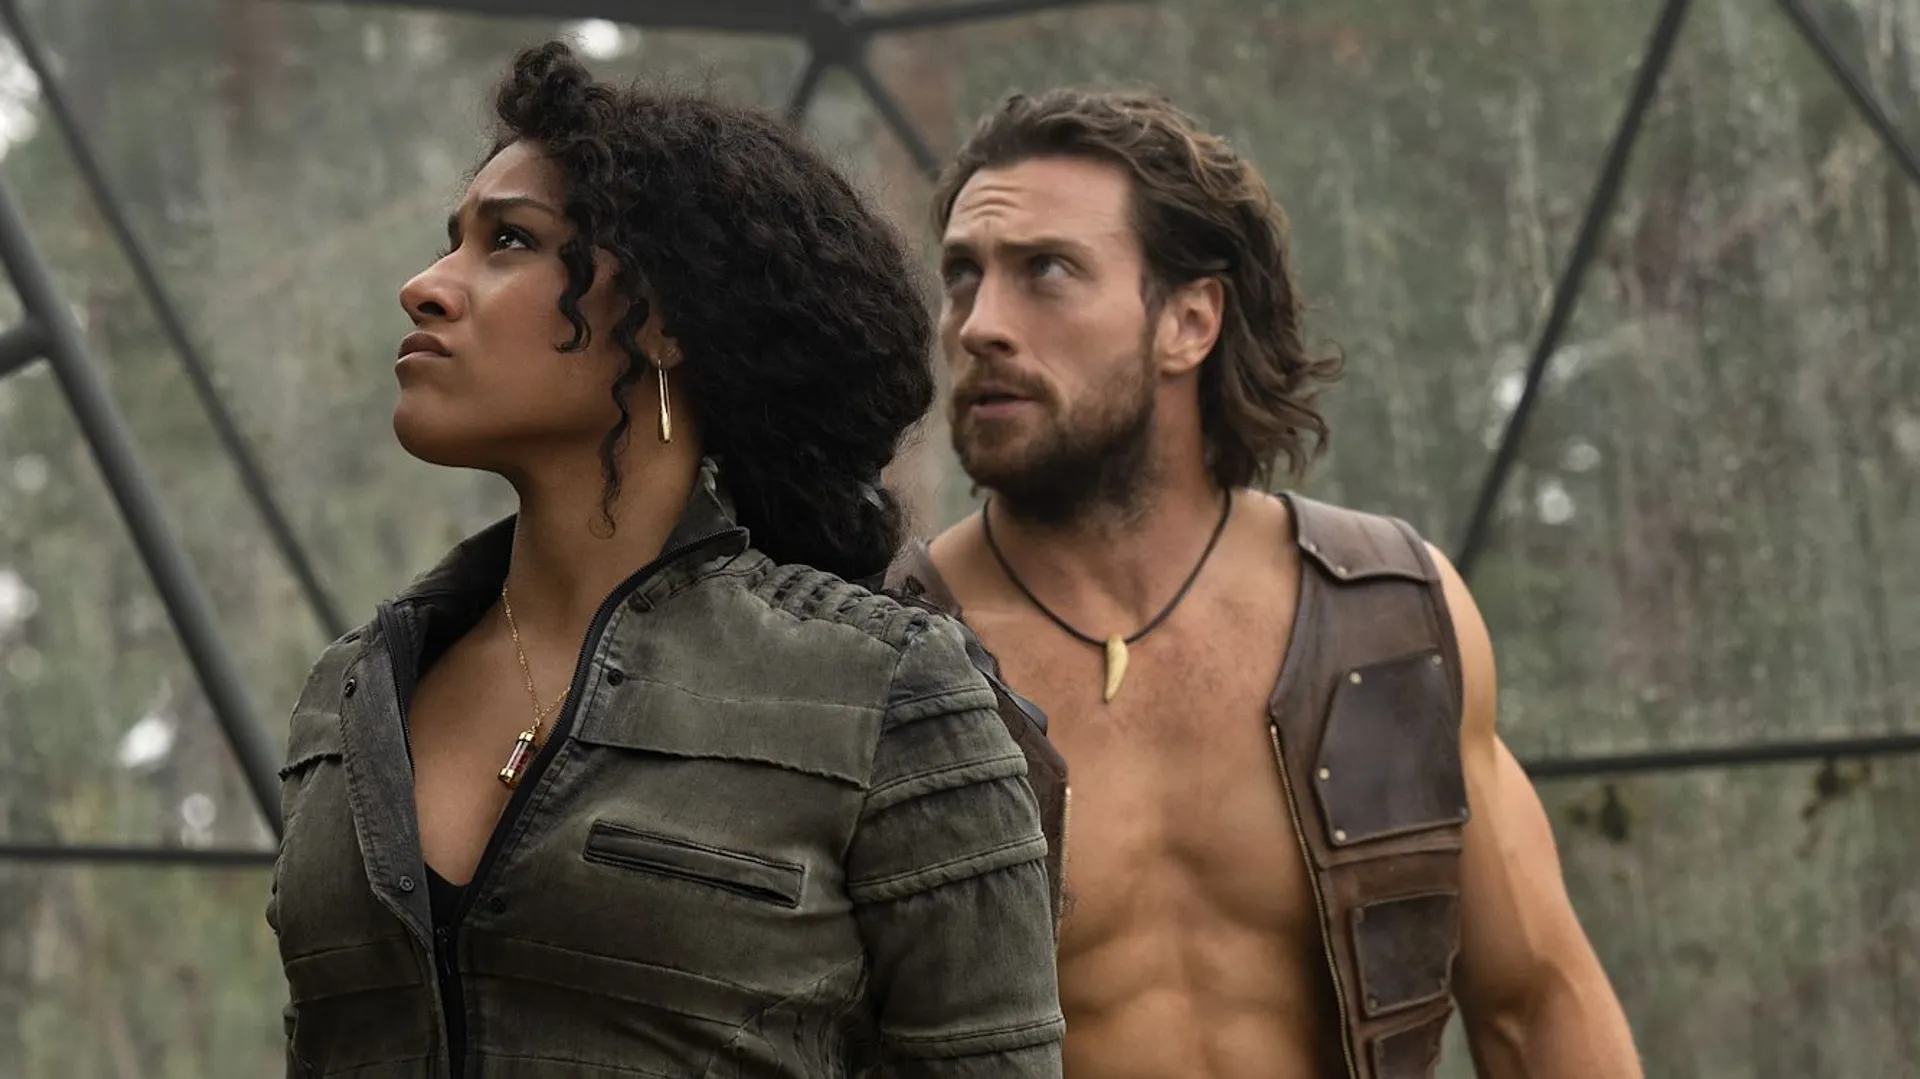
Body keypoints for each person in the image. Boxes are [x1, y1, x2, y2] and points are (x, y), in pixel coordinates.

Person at [265, 42, 1064, 1079]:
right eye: (451, 242)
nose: (425, 287)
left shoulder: (886, 692)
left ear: (667, 319)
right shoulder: (352, 692)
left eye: (509, 241)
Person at [887, 88, 1643, 1079]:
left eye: (1048, 271)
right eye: (962, 275)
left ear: (1189, 321)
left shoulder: (1389, 616)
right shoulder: (885, 651)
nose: (980, 323)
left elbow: (1535, 1005)